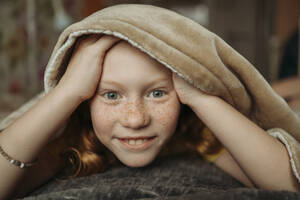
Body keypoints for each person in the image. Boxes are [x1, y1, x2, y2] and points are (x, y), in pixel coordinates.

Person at [1, 4, 300, 199]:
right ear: (84, 100)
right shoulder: (71, 140)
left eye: (157, 93)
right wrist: (67, 92)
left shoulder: (194, 129)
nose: (135, 119)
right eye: (111, 95)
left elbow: (289, 186)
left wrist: (200, 96)